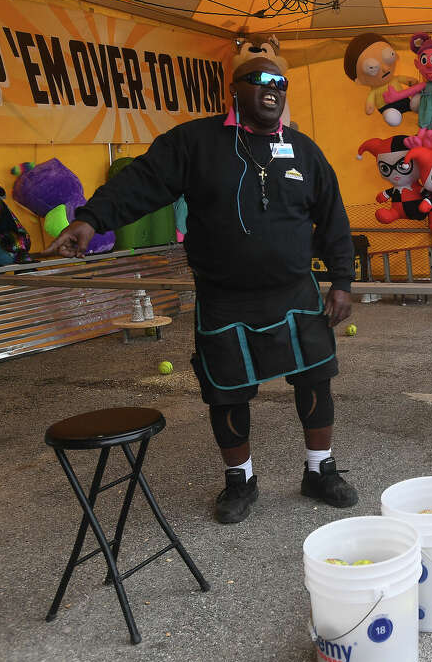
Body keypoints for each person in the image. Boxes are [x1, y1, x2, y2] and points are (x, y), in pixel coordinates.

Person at [44, 56, 359, 524]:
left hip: (296, 293)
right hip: (225, 297)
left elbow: (333, 215)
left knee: (315, 379)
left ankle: (319, 470)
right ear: (235, 89)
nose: (272, 88)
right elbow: (141, 183)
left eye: (280, 83)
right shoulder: (195, 142)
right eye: (260, 80)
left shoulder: (303, 149)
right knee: (226, 394)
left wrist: (341, 281)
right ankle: (240, 481)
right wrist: (91, 220)